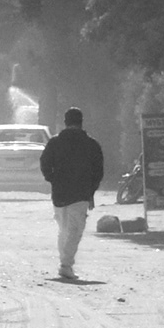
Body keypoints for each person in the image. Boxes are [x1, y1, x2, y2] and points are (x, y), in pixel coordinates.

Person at [42, 107, 108, 282]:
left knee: (63, 229)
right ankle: (65, 265)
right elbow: (98, 171)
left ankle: (65, 263)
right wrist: (91, 191)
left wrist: (53, 179)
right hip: (80, 193)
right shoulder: (91, 144)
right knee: (74, 230)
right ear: (81, 122)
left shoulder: (55, 142)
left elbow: (45, 163)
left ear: (65, 122)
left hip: (59, 193)